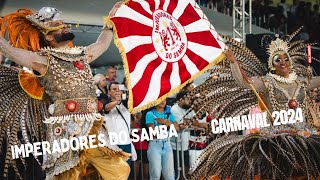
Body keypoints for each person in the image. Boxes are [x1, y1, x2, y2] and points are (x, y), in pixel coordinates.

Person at [0, 4, 130, 180]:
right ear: (48, 36)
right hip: (65, 130)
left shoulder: (82, 55)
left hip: (92, 126)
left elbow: (102, 43)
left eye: (64, 24)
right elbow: (11, 52)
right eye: (59, 26)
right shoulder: (42, 60)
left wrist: (110, 21)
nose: (65, 26)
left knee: (119, 170)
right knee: (67, 175)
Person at [190, 29, 320, 179]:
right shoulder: (266, 82)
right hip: (276, 137)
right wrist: (233, 62)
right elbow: (244, 82)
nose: (283, 62)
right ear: (272, 65)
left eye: (286, 59)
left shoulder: (302, 82)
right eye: (278, 60)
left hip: (302, 134)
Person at [145, 100, 179, 180]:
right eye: (160, 99)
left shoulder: (169, 114)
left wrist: (166, 122)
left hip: (167, 143)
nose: (163, 101)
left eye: (164, 99)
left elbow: (176, 128)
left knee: (169, 173)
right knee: (155, 173)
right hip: (155, 144)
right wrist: (166, 124)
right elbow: (153, 132)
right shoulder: (150, 114)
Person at [105, 82, 132, 165]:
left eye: (119, 89)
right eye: (114, 89)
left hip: (126, 142)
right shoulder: (106, 103)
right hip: (113, 144)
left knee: (127, 169)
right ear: (109, 92)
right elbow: (106, 108)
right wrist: (117, 101)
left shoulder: (127, 104)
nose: (117, 91)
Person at [132, 112, 149, 180]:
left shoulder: (145, 122)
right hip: (136, 148)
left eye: (140, 112)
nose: (138, 114)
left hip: (146, 148)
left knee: (146, 172)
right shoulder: (132, 122)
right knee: (135, 173)